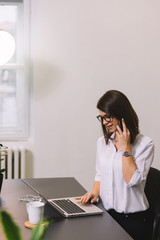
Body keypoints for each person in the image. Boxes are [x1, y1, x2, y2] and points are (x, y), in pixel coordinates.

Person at [77, 90, 154, 240]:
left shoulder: (145, 144)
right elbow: (100, 174)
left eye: (108, 116)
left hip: (133, 221)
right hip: (107, 216)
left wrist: (126, 148)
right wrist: (94, 193)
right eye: (102, 117)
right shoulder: (103, 143)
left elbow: (131, 181)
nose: (105, 122)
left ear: (122, 114)